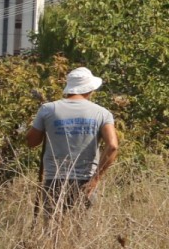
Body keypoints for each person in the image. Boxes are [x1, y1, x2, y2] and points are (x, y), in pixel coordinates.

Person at [25, 66, 119, 213]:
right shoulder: (102, 113)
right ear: (90, 89)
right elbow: (113, 146)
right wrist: (95, 180)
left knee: (52, 231)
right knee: (82, 233)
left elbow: (31, 142)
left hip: (54, 180)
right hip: (86, 183)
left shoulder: (48, 109)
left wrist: (46, 126)